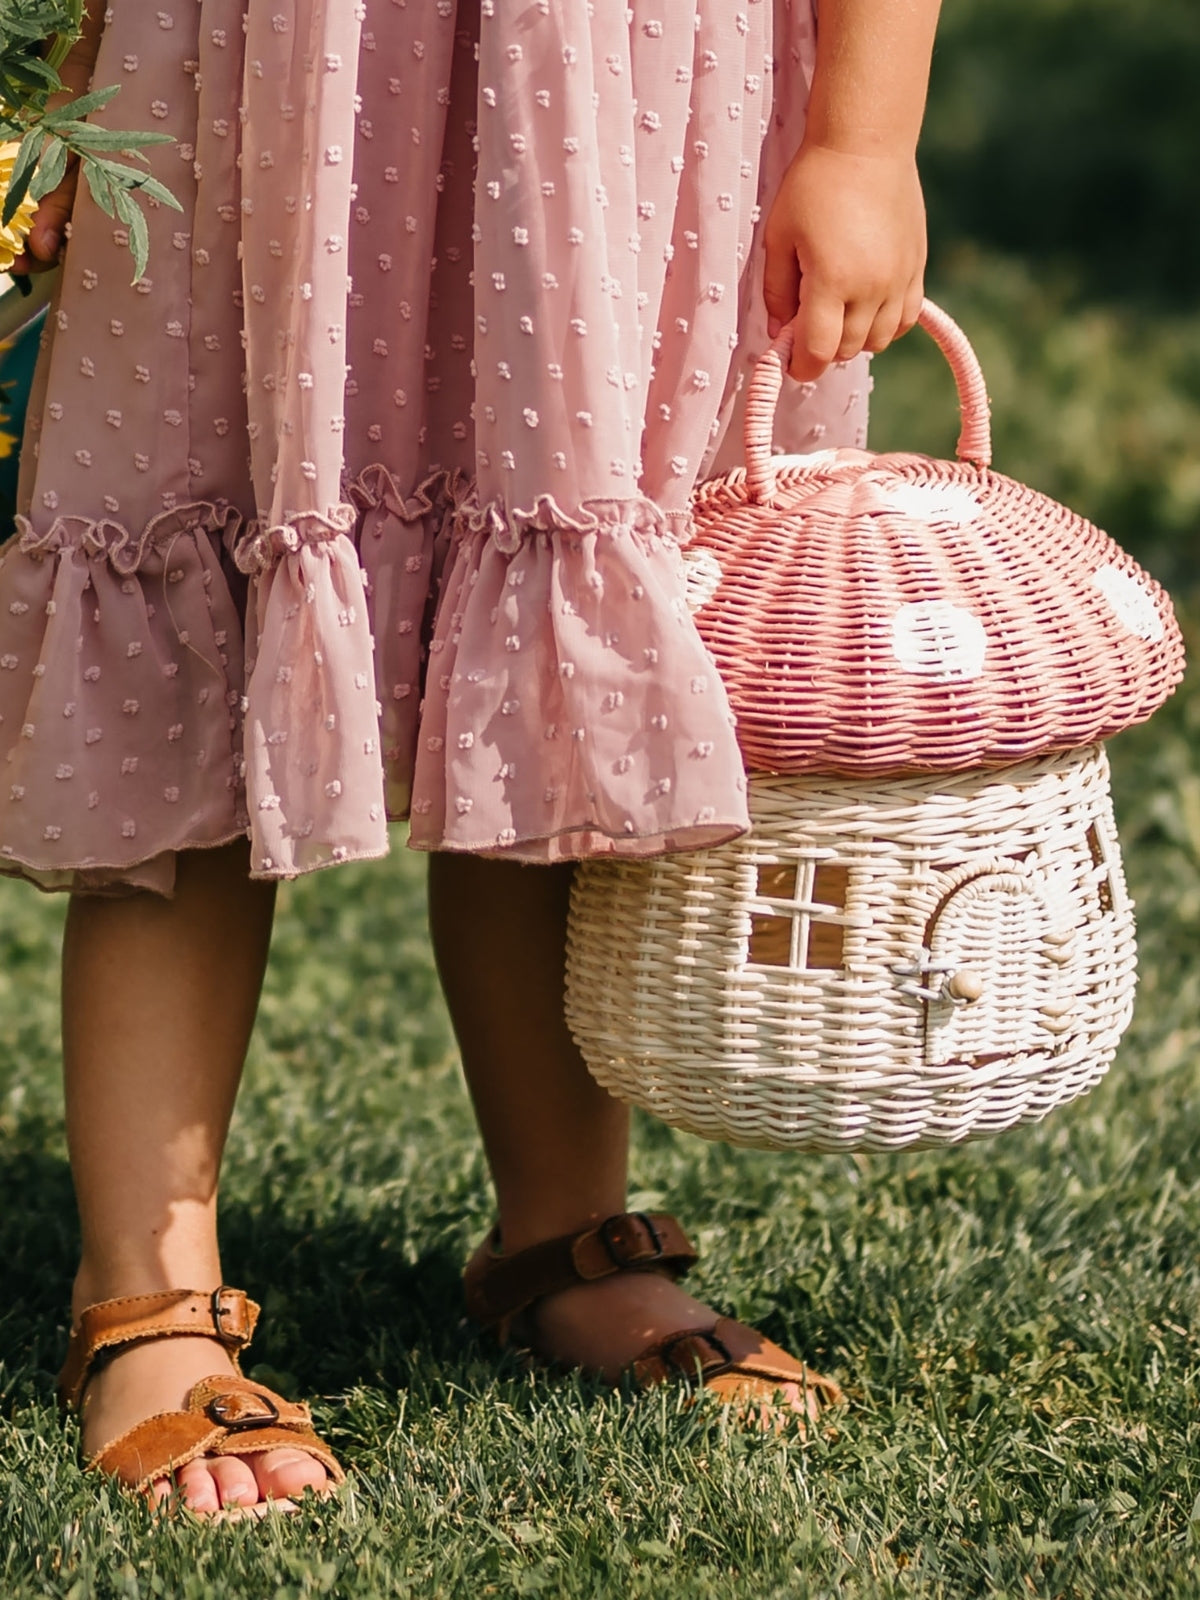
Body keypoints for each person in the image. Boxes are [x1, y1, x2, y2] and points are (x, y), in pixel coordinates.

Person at [4, 0, 939, 1516]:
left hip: (611, 78)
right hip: (260, 63)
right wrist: (55, 78)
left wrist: (865, 136)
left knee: (556, 599)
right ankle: (149, 1295)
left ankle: (565, 1232)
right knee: (207, 579)